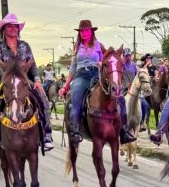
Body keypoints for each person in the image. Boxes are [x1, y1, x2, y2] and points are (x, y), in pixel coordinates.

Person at [0, 13, 54, 155]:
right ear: (3, 29)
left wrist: (37, 80)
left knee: (42, 98)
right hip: (4, 79)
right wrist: (7, 79)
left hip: (24, 81)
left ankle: (46, 134)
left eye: (15, 26)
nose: (13, 29)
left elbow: (32, 63)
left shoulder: (25, 46)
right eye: (9, 26)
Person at [58, 20, 136, 148]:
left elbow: (106, 61)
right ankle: (75, 131)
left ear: (92, 32)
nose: (84, 33)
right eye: (82, 31)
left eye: (87, 30)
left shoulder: (99, 45)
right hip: (81, 75)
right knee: (75, 100)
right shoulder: (77, 47)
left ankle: (124, 131)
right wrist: (65, 86)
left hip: (96, 75)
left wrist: (101, 63)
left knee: (120, 98)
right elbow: (72, 68)